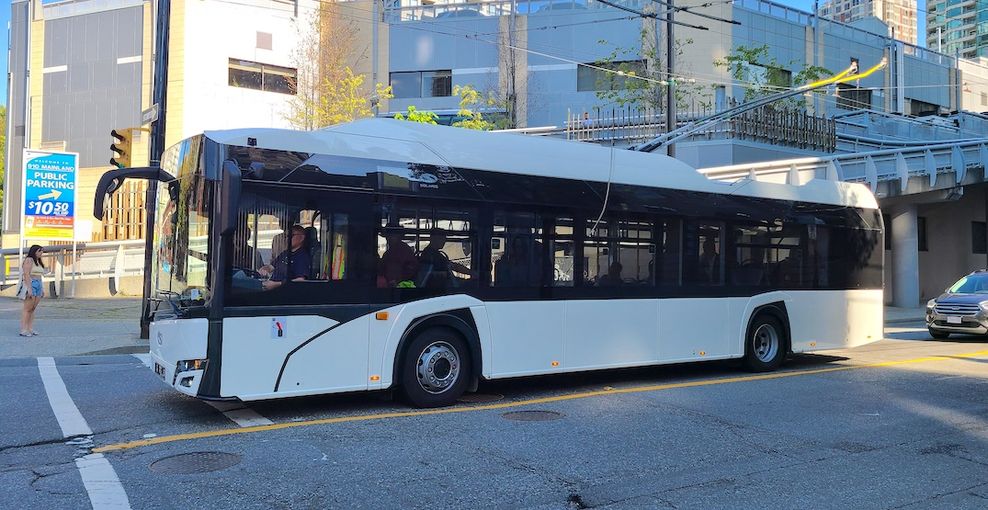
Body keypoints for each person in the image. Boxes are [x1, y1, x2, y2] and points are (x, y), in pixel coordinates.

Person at [258, 225, 311, 290]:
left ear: (302, 238)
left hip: (285, 293)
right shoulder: (285, 253)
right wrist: (265, 269)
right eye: (286, 236)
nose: (287, 238)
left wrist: (277, 284)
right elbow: (271, 267)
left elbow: (300, 280)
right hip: (271, 289)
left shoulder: (302, 256)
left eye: (291, 236)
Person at [18, 245, 45, 336]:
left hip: (39, 284)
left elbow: (40, 276)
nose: (41, 253)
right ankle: (24, 329)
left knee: (33, 308)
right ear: (35, 251)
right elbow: (26, 274)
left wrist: (42, 289)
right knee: (27, 308)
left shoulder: (38, 261)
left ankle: (30, 328)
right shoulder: (29, 260)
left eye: (42, 251)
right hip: (31, 283)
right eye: (40, 251)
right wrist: (29, 289)